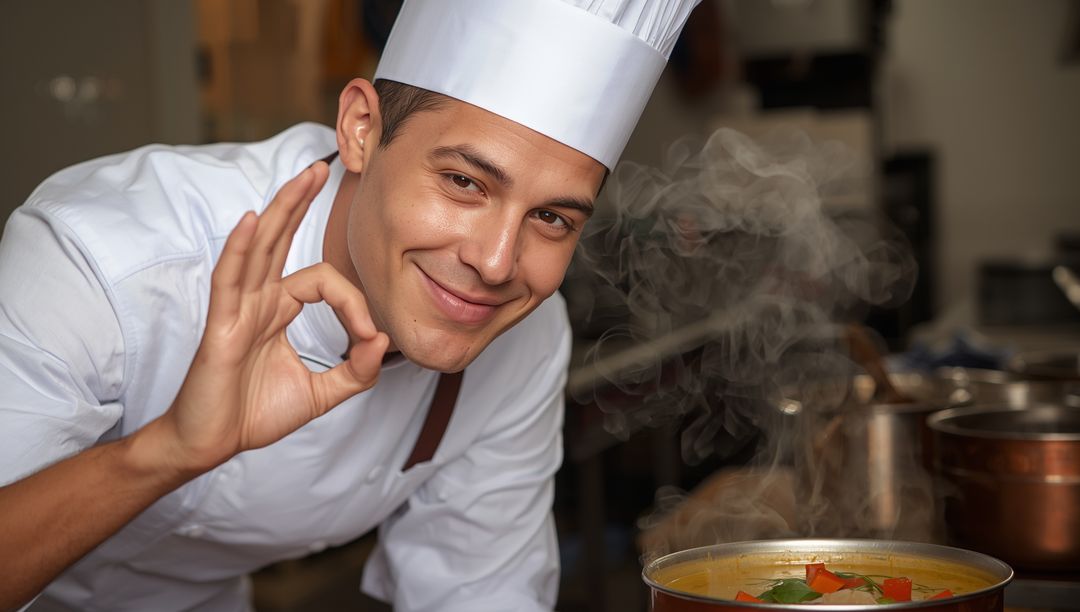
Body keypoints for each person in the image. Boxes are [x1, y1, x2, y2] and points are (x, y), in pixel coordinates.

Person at [0, 0, 700, 609]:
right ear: (361, 128)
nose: (494, 263)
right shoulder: (106, 259)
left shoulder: (523, 334)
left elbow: (478, 587)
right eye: (463, 181)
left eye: (552, 219)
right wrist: (166, 452)